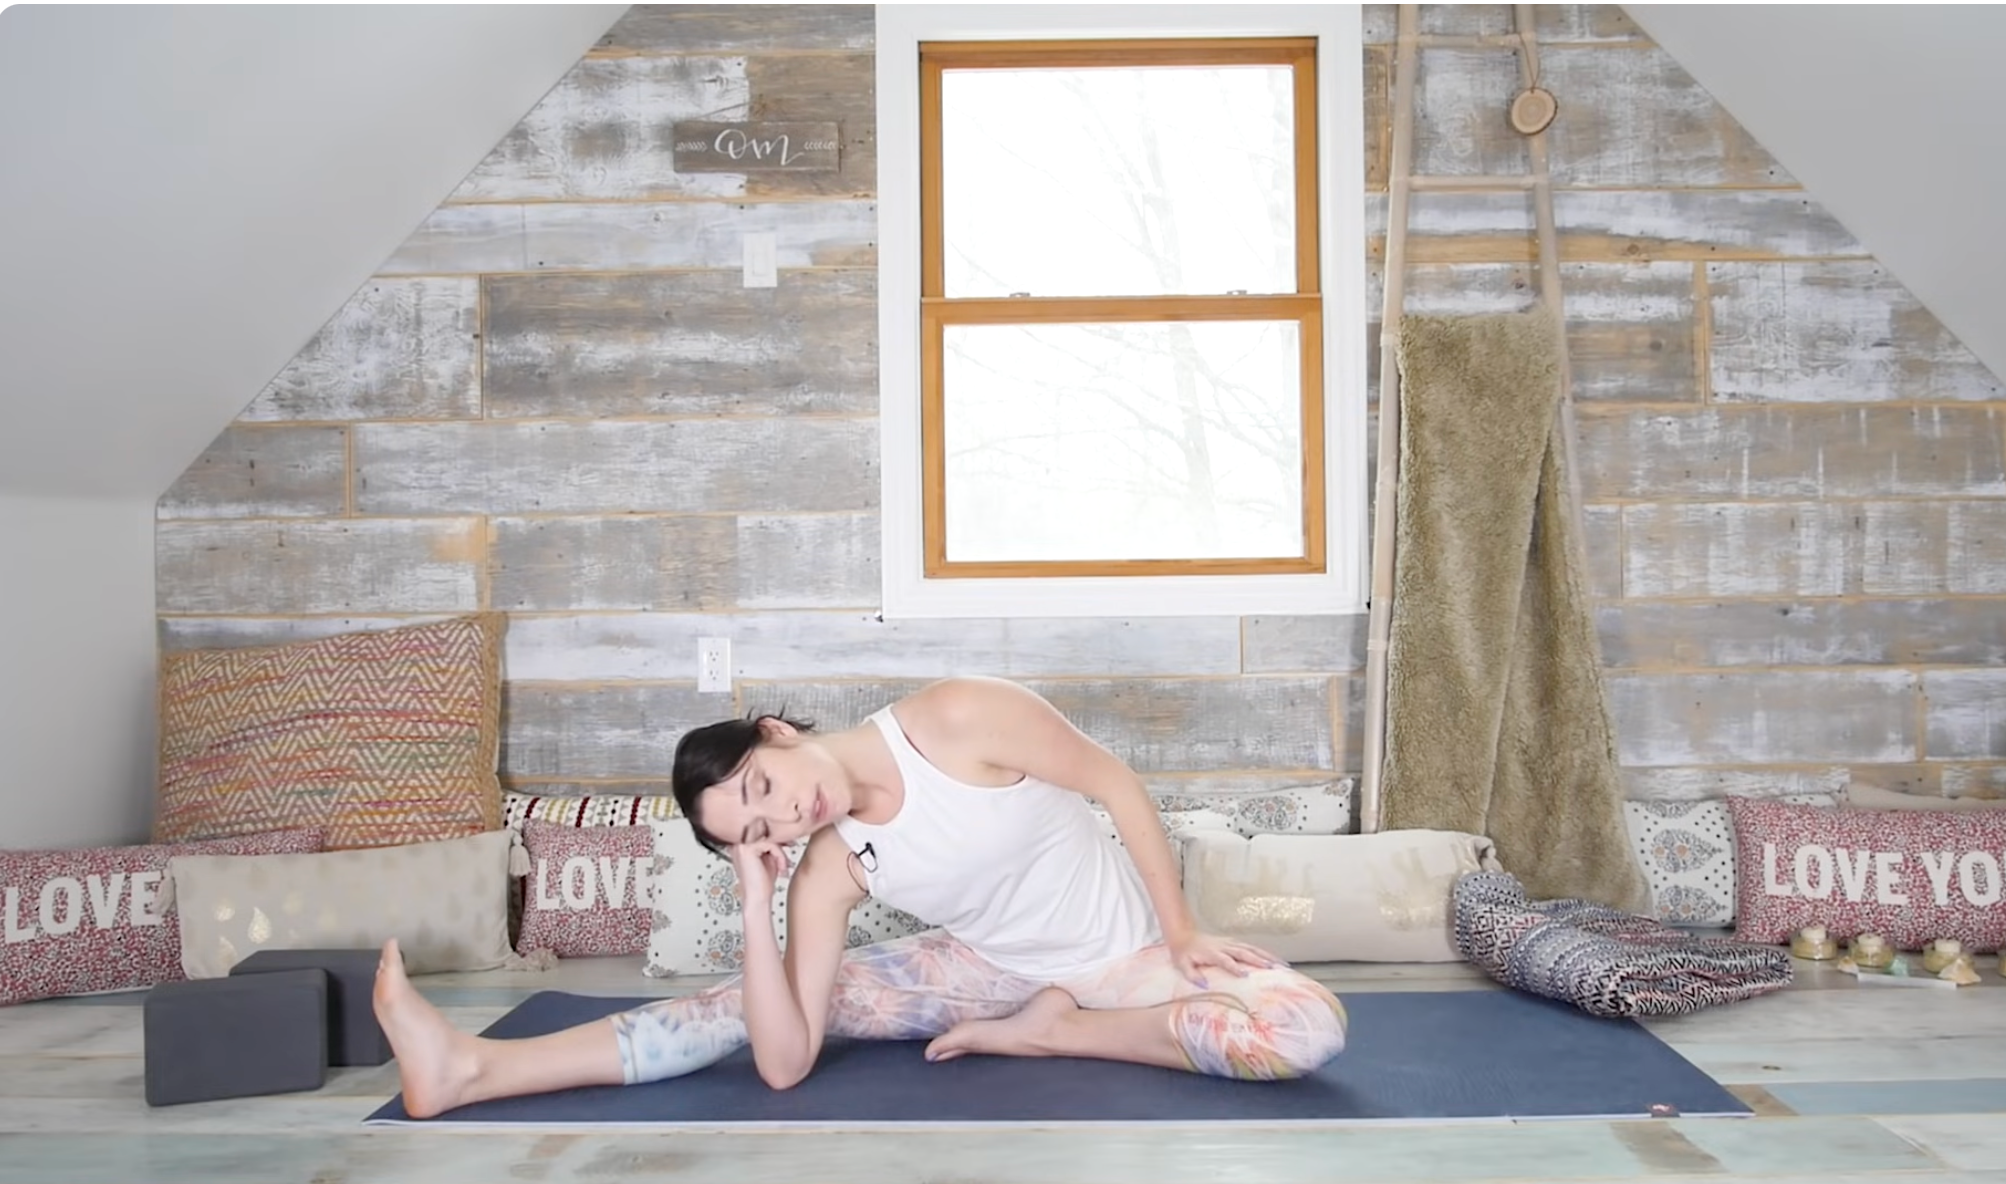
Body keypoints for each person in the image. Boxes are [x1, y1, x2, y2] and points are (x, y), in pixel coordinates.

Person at [372, 676, 1347, 1116]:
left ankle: (1059, 1031)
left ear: (773, 732)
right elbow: (785, 1060)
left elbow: (1114, 783)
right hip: (987, 972)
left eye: (761, 791)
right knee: (739, 1005)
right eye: (758, 833)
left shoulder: (960, 717)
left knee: (1302, 1031)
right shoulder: (830, 867)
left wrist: (1180, 930)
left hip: (1129, 957)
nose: (783, 817)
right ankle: (473, 1069)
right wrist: (758, 897)